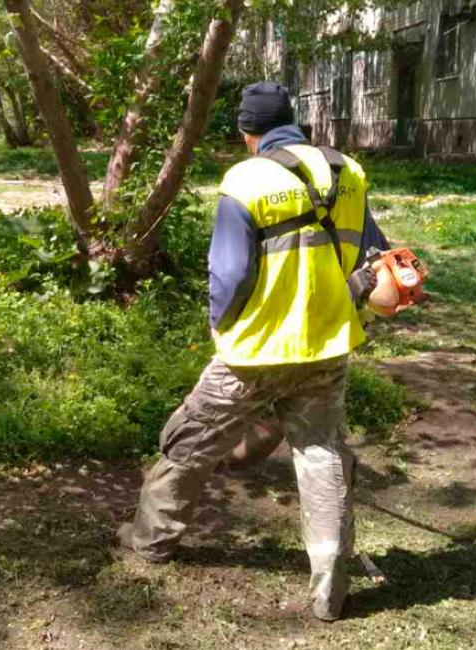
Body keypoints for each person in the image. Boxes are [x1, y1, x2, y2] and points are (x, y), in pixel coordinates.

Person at [117, 81, 389, 622]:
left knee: (190, 441)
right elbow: (372, 249)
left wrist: (221, 324)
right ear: (294, 123)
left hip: (253, 351)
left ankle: (149, 540)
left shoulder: (246, 179)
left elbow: (230, 273)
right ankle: (330, 592)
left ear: (248, 134)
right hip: (327, 346)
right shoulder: (347, 172)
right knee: (322, 458)